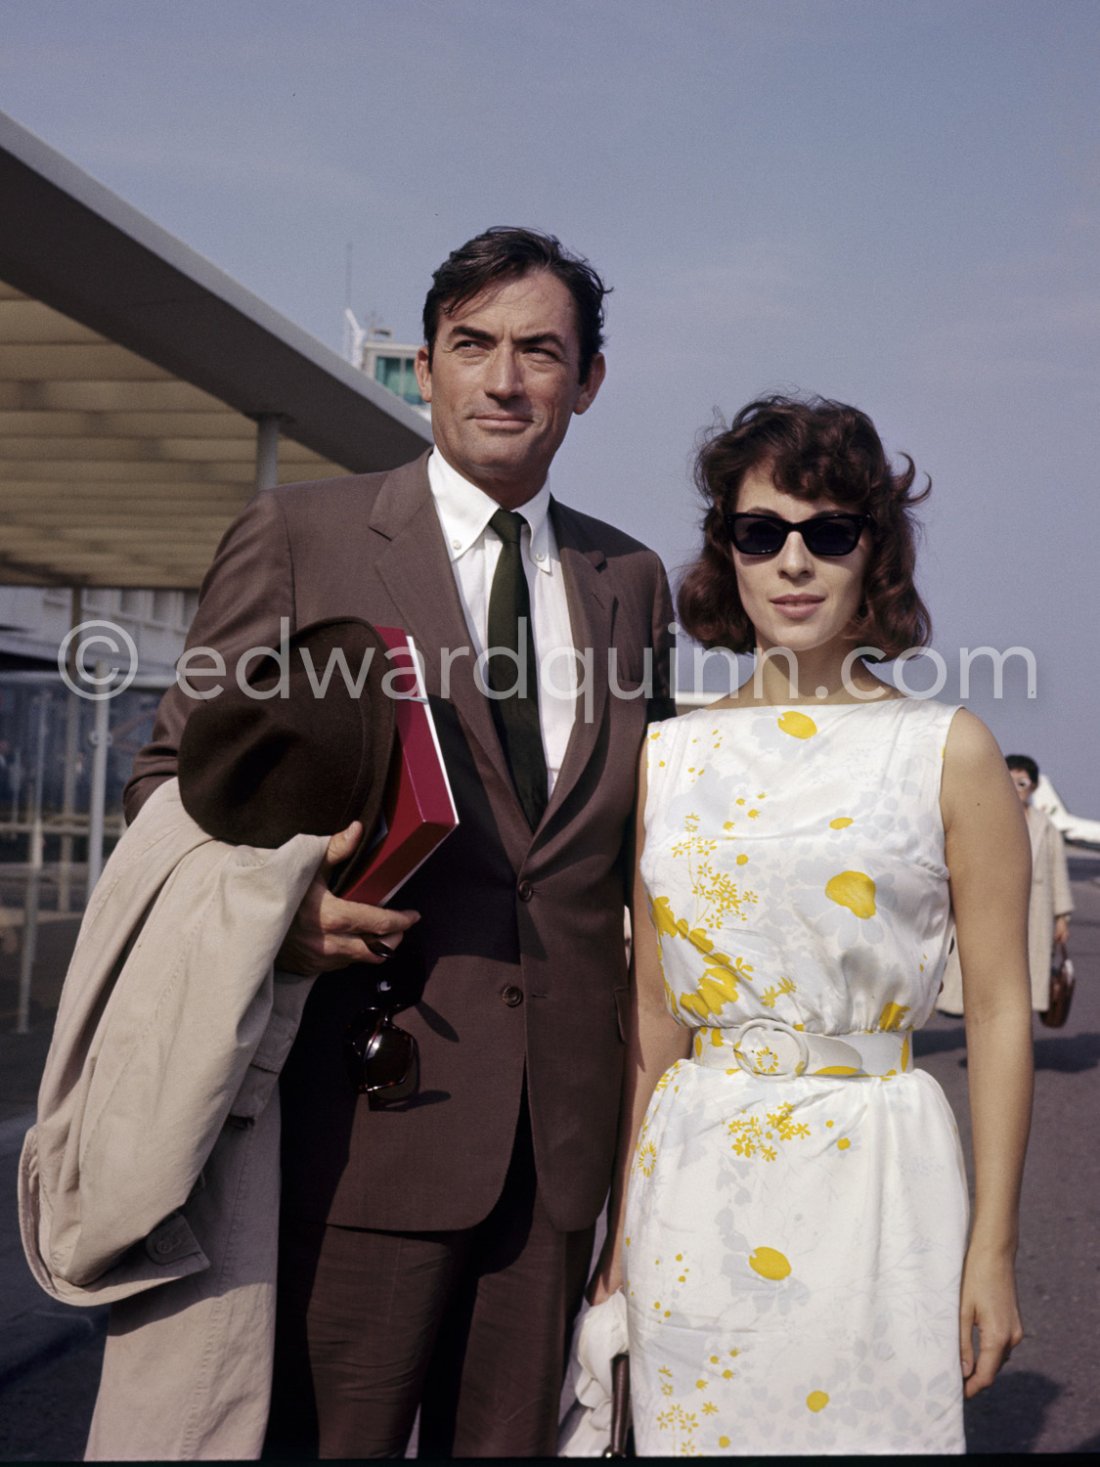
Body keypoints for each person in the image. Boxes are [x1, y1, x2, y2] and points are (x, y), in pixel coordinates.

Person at [124, 226, 674, 1458]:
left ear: (585, 383)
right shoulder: (303, 537)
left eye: (540, 351)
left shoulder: (626, 580)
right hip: (365, 1104)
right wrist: (282, 913)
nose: (503, 378)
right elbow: (169, 782)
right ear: (422, 370)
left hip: (560, 1141)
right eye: (471, 346)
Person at [589, 395, 1033, 1455]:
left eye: (826, 531)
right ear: (726, 555)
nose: (793, 561)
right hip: (693, 1189)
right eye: (760, 532)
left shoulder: (947, 747)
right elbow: (652, 1024)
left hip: (876, 1183)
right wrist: (620, 1229)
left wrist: (993, 1248)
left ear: (870, 552)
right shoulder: (668, 756)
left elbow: (1004, 1012)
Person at [938, 753, 1073, 1017]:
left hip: (1032, 909)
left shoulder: (1046, 828)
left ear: (1033, 787)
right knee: (981, 968)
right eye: (1008, 782)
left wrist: (1062, 917)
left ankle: (1009, 1028)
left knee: (1023, 973)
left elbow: (1057, 870)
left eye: (1021, 783)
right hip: (986, 906)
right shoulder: (979, 820)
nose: (1015, 789)